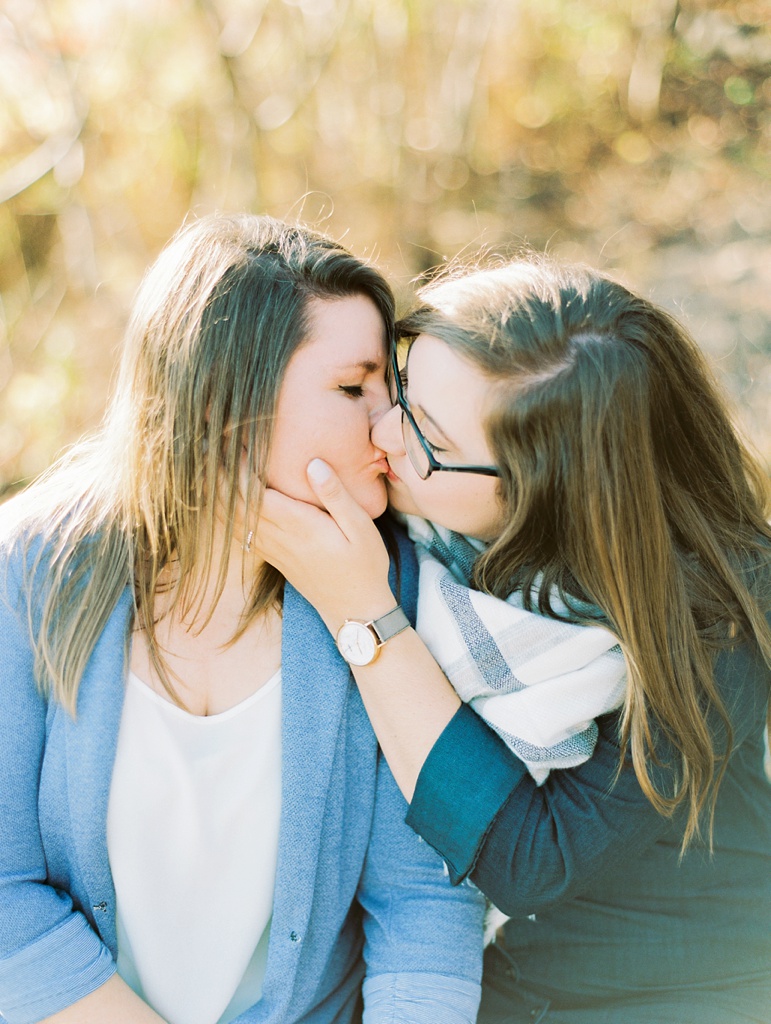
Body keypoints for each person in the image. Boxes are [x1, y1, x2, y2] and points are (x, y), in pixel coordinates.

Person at [254, 256, 771, 1023]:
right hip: (485, 981)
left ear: (542, 489)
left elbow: (533, 859)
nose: (384, 430)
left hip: (677, 986)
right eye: (403, 384)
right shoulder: (424, 521)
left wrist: (363, 613)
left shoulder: (712, 616)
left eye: (425, 434)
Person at [0, 213, 486, 1024]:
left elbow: (421, 905)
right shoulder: (31, 569)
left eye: (389, 387)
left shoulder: (400, 578)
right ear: (228, 403)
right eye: (351, 387)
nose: (389, 424)